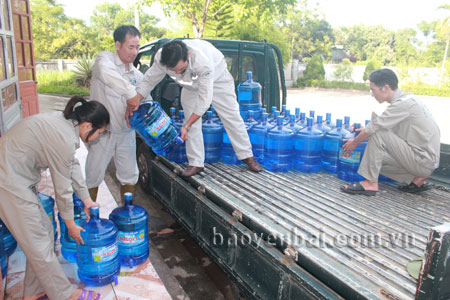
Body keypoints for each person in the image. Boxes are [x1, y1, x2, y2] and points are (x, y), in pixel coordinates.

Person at [0, 96, 109, 300]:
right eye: (100, 133)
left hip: (15, 178)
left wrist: (87, 200)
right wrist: (70, 223)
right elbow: (63, 188)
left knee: (45, 234)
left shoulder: (65, 125)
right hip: (8, 182)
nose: (98, 138)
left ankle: (34, 292)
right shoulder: (63, 136)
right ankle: (64, 294)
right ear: (87, 126)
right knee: (38, 240)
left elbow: (71, 164)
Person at [126, 39, 262, 177]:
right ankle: (196, 163)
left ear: (188, 56)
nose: (178, 73)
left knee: (231, 117)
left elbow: (205, 100)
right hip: (190, 86)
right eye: (174, 71)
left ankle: (247, 156)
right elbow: (149, 80)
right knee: (191, 122)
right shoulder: (162, 58)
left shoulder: (202, 61)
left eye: (182, 69)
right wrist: (134, 103)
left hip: (218, 80)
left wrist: (187, 125)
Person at [340, 68, 440, 196]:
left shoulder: (403, 104)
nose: (372, 94)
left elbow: (376, 128)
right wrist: (365, 130)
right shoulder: (408, 99)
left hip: (422, 160)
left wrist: (354, 142)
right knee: (371, 163)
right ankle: (415, 179)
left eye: (373, 89)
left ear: (385, 87)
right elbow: (387, 127)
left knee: (377, 133)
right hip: (422, 159)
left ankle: (370, 183)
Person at [86, 25, 143, 203]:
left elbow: (145, 100)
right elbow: (108, 75)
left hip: (126, 131)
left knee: (130, 173)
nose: (134, 52)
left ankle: (128, 213)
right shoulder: (105, 60)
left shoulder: (137, 74)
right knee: (94, 173)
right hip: (103, 131)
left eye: (137, 47)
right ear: (118, 45)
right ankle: (87, 213)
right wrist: (131, 94)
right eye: (130, 46)